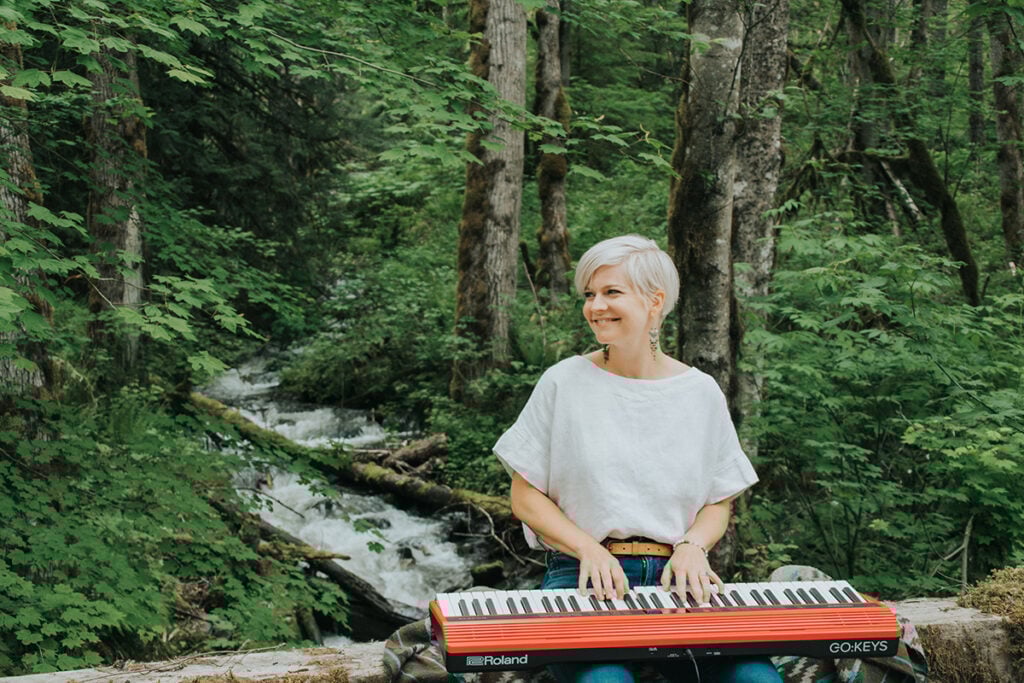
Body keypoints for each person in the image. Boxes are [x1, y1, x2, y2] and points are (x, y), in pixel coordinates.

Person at [493, 234, 782, 683]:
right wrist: (587, 548)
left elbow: (718, 500)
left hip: (682, 582)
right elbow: (525, 498)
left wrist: (692, 547)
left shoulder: (700, 392)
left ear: (654, 302)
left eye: (611, 292)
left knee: (755, 679)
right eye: (589, 294)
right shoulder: (562, 383)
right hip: (582, 577)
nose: (595, 306)